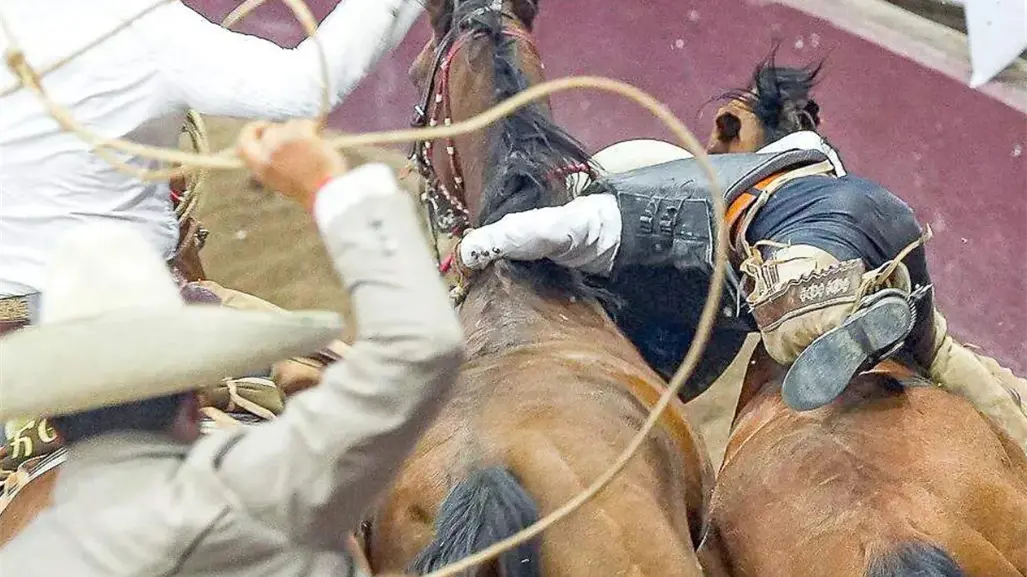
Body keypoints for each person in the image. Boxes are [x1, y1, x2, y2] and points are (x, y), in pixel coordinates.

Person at [453, 74, 1027, 452]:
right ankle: (1016, 417)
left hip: (813, 246)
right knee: (942, 355)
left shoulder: (644, 201)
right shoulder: (809, 155)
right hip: (889, 221)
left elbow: (557, 228)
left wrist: (477, 246)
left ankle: (847, 315)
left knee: (782, 324)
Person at [0, 119, 464, 574]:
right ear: (195, 399)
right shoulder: (278, 487)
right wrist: (328, 186)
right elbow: (419, 347)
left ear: (53, 422)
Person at [0, 0, 425, 442]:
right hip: (137, 321)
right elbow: (304, 89)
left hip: (11, 330)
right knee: (357, 403)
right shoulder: (140, 24)